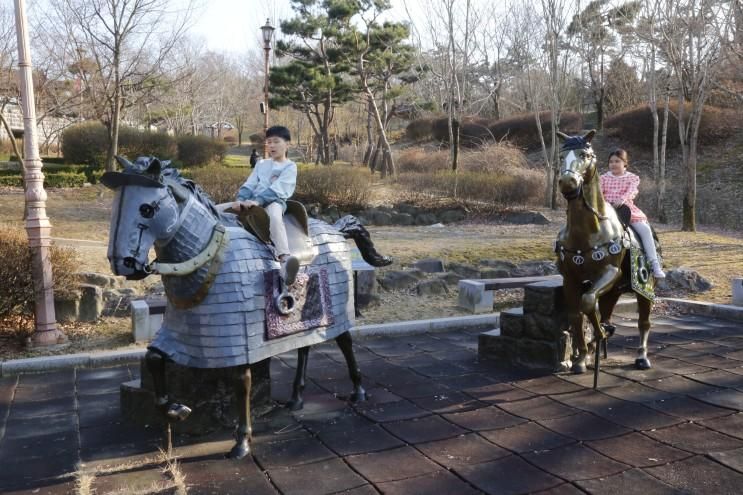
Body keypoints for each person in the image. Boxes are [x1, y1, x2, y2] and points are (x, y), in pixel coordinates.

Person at [234, 126, 299, 285]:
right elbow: (250, 184)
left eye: (276, 142)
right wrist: (241, 199)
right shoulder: (261, 164)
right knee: (220, 211)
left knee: (274, 217)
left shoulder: (290, 167)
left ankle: (284, 258)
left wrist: (258, 201)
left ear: (287, 145)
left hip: (274, 201)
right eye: (269, 142)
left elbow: (278, 189)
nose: (271, 146)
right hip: (251, 201)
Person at [600, 148, 665, 279]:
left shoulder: (632, 178)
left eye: (617, 161)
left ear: (624, 163)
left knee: (645, 230)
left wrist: (622, 199)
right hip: (607, 210)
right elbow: (599, 194)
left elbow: (631, 191)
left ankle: (654, 264)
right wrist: (605, 203)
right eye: (611, 161)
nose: (613, 164)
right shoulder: (603, 178)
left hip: (626, 210)